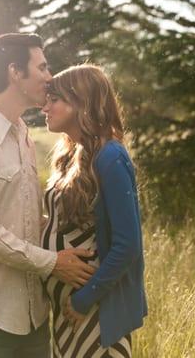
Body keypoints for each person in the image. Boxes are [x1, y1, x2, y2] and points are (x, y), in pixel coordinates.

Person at [0, 33, 96, 357]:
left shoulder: (23, 135)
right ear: (15, 72)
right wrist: (53, 263)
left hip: (34, 321)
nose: (49, 77)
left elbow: (21, 217)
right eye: (42, 67)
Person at [40, 64, 147, 357]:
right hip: (67, 314)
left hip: (96, 313)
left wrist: (83, 299)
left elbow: (128, 245)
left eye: (54, 100)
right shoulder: (70, 154)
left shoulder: (110, 156)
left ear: (80, 102)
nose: (45, 107)